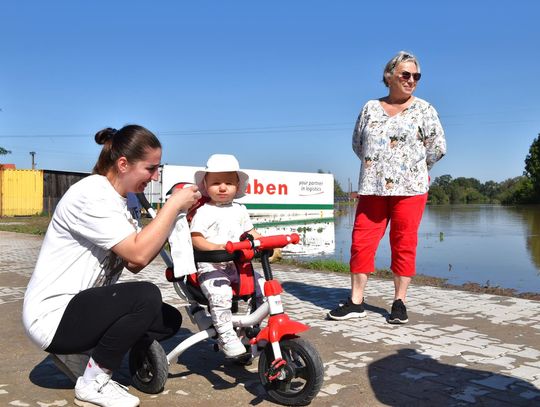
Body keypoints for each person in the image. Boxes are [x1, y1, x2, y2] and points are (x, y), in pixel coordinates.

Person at [22, 125, 201, 407]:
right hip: (53, 316)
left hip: (83, 308)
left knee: (166, 319)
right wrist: (172, 207)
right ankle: (93, 382)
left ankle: (92, 354)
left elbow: (132, 265)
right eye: (150, 168)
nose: (155, 176)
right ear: (123, 164)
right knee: (146, 296)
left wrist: (171, 218)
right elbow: (139, 255)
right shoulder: (91, 194)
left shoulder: (127, 199)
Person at [328, 51, 446, 324]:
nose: (411, 80)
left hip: (411, 189)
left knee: (403, 243)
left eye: (416, 76)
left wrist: (413, 169)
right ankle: (356, 300)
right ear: (389, 76)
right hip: (372, 187)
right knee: (361, 242)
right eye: (405, 74)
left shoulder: (425, 109)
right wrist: (379, 166)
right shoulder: (370, 108)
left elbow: (437, 148)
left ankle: (399, 302)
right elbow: (359, 145)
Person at [190, 154, 263, 358]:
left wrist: (264, 242)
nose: (222, 187)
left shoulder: (240, 210)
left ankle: (250, 328)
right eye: (216, 183)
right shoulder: (204, 211)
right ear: (206, 185)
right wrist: (216, 247)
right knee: (220, 294)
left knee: (264, 289)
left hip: (238, 266)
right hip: (211, 266)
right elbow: (196, 238)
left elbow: (252, 232)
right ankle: (226, 335)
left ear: (237, 186)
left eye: (228, 183)